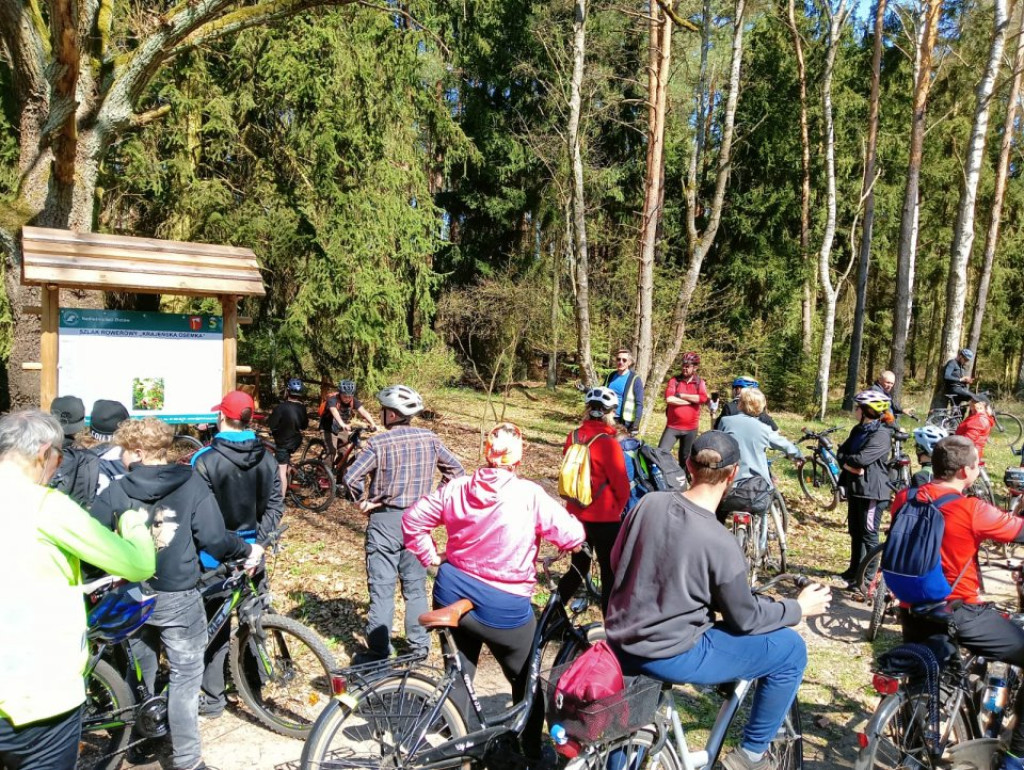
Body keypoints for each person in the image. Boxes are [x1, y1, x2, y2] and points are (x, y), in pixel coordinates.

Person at [604, 431, 831, 770]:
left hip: (622, 639)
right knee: (790, 650)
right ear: (733, 473)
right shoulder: (720, 542)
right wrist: (797, 608)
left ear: (687, 465)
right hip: (671, 651)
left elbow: (615, 560)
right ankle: (751, 756)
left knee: (624, 729)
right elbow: (746, 619)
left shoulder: (648, 504)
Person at [403, 423, 585, 764]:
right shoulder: (528, 495)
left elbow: (412, 521)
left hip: (451, 590)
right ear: (517, 460)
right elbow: (573, 534)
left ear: (486, 455)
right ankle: (532, 753)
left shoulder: (456, 488)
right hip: (503, 603)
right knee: (526, 678)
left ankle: (462, 750)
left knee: (459, 675)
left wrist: (432, 558)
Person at [91, 417, 262, 770]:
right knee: (185, 678)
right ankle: (187, 761)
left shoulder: (117, 490)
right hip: (179, 595)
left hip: (132, 592)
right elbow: (214, 539)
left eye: (124, 449)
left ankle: (139, 742)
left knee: (141, 670)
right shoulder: (191, 484)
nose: (122, 456)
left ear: (138, 451)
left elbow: (93, 536)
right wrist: (246, 552)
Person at [0, 410, 155, 770]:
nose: (56, 469)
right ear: (42, 453)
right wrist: (132, 521)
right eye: (57, 459)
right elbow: (136, 564)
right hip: (40, 698)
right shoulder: (46, 506)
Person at [895, 435, 1024, 770]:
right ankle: (1016, 758)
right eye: (978, 463)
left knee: (926, 676)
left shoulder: (905, 498)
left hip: (912, 607)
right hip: (959, 610)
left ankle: (912, 753)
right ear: (968, 470)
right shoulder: (971, 509)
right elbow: (1017, 530)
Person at [344, 384, 465, 663]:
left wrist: (361, 501)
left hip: (385, 521)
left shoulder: (378, 443)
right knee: (415, 587)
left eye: (383, 410)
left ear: (392, 414)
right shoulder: (431, 439)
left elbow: (351, 478)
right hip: (419, 522)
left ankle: (378, 652)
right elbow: (457, 472)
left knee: (382, 588)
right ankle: (419, 649)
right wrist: (434, 500)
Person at [191, 390, 284, 718]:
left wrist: (231, 547)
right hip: (254, 555)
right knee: (254, 618)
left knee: (214, 624)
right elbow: (275, 504)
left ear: (222, 418)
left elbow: (200, 515)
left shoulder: (203, 460)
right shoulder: (268, 457)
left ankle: (212, 696)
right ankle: (254, 687)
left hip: (215, 556)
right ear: (248, 419)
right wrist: (258, 544)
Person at [556, 387, 630, 614]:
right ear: (611, 413)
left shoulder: (573, 436)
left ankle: (554, 614)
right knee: (610, 573)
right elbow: (621, 485)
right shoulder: (609, 443)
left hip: (576, 515)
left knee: (577, 569)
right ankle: (611, 626)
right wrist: (617, 510)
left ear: (588, 410)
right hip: (605, 518)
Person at [836, 390, 894, 590]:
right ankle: (854, 572)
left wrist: (848, 461)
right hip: (856, 488)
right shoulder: (858, 429)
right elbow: (842, 452)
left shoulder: (882, 434)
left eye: (858, 407)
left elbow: (862, 459)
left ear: (867, 410)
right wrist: (848, 464)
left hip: (873, 492)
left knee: (869, 534)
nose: (855, 410)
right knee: (855, 532)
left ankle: (868, 580)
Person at [718, 387, 802, 485]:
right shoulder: (764, 429)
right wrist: (798, 456)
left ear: (740, 404)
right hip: (757, 485)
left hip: (728, 480)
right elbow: (785, 445)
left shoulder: (725, 422)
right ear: (761, 407)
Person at [660, 351, 708, 464]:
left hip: (691, 428)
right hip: (673, 426)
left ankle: (686, 479)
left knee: (686, 459)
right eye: (683, 365)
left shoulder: (699, 383)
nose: (684, 368)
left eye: (688, 366)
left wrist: (682, 395)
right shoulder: (674, 381)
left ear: (695, 367)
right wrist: (691, 401)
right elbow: (669, 399)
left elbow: (702, 399)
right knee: (661, 452)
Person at [319, 379, 379, 464]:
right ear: (340, 394)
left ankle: (339, 475)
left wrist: (373, 423)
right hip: (327, 428)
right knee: (332, 452)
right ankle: (323, 475)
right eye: (344, 396)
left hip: (341, 429)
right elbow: (334, 411)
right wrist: (342, 423)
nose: (347, 398)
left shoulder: (353, 400)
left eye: (349, 396)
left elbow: (363, 411)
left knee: (345, 454)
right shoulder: (333, 399)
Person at [266, 378, 310, 494]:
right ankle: (290, 472)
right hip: (295, 440)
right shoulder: (302, 408)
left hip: (284, 442)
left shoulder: (281, 407)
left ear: (288, 392)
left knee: (281, 473)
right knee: (285, 462)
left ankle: (279, 501)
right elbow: (304, 426)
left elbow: (271, 424)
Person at [603, 348, 645, 434]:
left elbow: (639, 404)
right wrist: (585, 389)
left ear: (629, 362)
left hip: (624, 421)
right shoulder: (610, 376)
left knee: (619, 446)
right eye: (618, 359)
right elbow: (601, 393)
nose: (620, 362)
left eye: (624, 360)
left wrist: (636, 424)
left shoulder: (635, 379)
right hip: (607, 417)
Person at [714, 376, 779, 431]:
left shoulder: (729, 407)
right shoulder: (759, 407)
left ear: (738, 389)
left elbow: (716, 430)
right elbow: (775, 430)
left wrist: (713, 412)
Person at [955, 396, 996, 460]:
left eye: (974, 402)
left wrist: (951, 444)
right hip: (967, 451)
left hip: (967, 454)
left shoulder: (979, 420)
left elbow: (968, 440)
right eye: (971, 401)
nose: (971, 403)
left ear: (982, 405)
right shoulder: (976, 416)